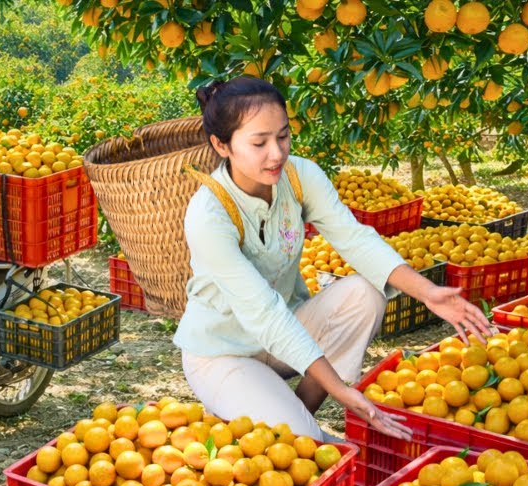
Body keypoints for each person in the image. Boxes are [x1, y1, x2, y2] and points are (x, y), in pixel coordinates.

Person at [173, 76, 494, 442]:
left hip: (289, 335)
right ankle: (275, 420)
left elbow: (355, 239)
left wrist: (426, 291)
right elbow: (263, 312)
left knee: (365, 293)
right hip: (222, 353)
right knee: (305, 445)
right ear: (221, 144)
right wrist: (343, 391)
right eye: (259, 143)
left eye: (283, 136)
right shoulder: (208, 215)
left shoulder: (299, 176)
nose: (276, 153)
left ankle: (294, 414)